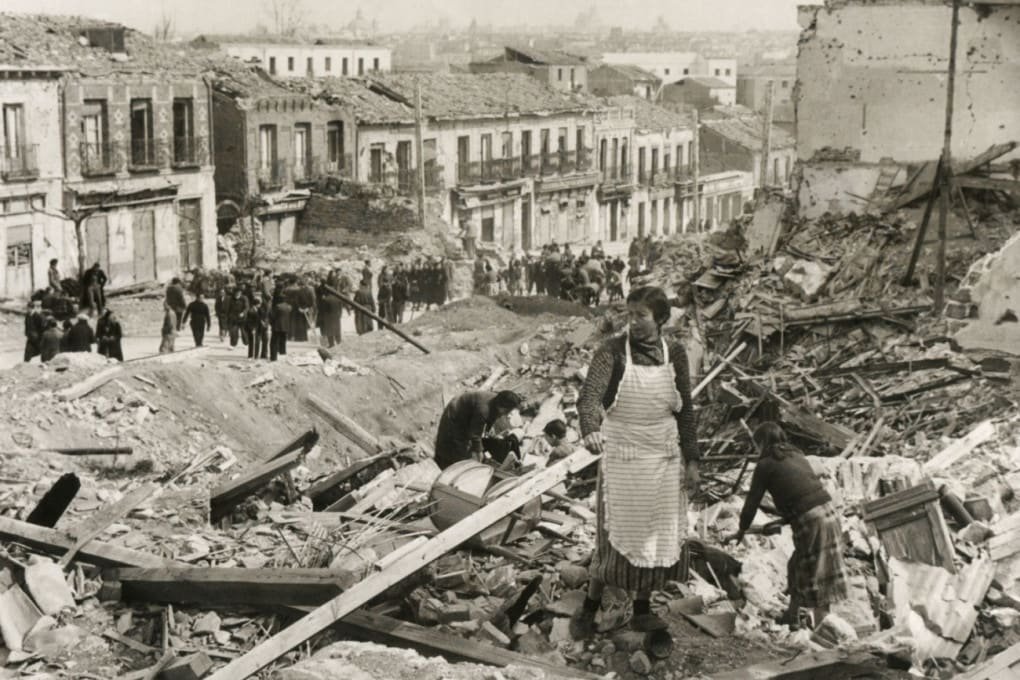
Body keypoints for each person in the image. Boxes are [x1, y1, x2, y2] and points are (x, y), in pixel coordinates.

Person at [571, 285, 700, 639]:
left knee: (655, 539)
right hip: (624, 456)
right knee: (612, 539)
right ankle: (589, 607)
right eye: (629, 314)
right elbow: (588, 399)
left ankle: (642, 610)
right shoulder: (612, 351)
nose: (633, 322)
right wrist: (590, 429)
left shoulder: (674, 352)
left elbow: (685, 410)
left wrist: (693, 461)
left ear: (660, 319)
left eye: (641, 315)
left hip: (662, 456)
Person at [726, 423, 849, 628]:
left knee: (816, 575)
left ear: (762, 442)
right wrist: (784, 519)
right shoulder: (797, 454)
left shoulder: (766, 464)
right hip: (829, 511)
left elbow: (752, 502)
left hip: (812, 520)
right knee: (797, 565)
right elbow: (802, 491)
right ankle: (792, 615)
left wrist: (741, 528)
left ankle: (824, 630)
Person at [434, 390, 525, 470]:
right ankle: (444, 466)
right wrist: (478, 452)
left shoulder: (496, 402)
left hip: (469, 412)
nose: (506, 414)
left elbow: (493, 416)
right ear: (501, 406)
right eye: (506, 411)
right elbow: (475, 435)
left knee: (468, 446)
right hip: (456, 411)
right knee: (455, 443)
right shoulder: (483, 410)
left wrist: (488, 431)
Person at [245, 292, 270, 360]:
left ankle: (263, 355)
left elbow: (266, 314)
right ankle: (254, 355)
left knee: (265, 340)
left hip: (263, 325)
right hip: (257, 326)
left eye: (258, 295)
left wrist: (265, 323)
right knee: (256, 341)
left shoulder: (264, 304)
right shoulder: (253, 307)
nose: (256, 296)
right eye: (255, 295)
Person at [270, 293, 292, 361]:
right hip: (286, 326)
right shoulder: (289, 307)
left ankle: (273, 357)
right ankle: (282, 354)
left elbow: (273, 316)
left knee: (274, 342)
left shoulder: (277, 306)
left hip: (277, 326)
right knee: (283, 341)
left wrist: (271, 323)